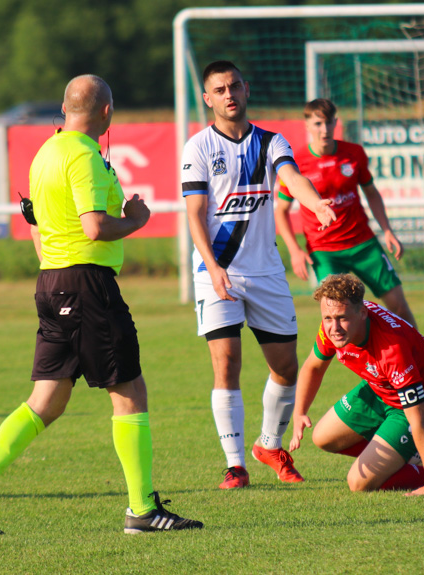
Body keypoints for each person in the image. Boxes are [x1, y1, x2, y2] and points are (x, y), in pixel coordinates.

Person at [0, 75, 202, 535]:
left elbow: (37, 229)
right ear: (108, 112)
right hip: (86, 285)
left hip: (52, 281)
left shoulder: (45, 153)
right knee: (129, 390)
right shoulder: (83, 156)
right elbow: (95, 228)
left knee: (48, 400)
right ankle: (142, 511)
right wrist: (137, 221)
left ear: (64, 109)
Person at [182, 61, 337, 489]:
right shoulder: (197, 148)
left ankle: (269, 445)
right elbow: (194, 214)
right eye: (219, 89)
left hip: (267, 273)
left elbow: (292, 177)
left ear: (246, 90)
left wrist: (316, 203)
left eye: (234, 86)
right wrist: (212, 268)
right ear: (208, 99)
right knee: (226, 362)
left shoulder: (271, 142)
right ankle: (235, 465)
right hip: (218, 272)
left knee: (286, 368)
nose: (229, 94)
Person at [289, 273, 424, 494]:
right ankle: (410, 452)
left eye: (342, 318)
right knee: (323, 437)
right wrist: (300, 412)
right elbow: (313, 366)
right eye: (327, 318)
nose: (334, 327)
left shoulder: (391, 349)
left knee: (358, 483)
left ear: (362, 313)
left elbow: (419, 419)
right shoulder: (335, 324)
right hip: (380, 387)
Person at [275, 98, 416, 327]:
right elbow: (281, 211)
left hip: (363, 243)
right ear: (307, 126)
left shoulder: (354, 153)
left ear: (336, 123)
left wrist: (388, 230)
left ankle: (419, 358)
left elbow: (371, 192)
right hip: (325, 251)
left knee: (399, 306)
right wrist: (294, 250)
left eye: (329, 123)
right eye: (318, 123)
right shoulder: (296, 163)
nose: (324, 129)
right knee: (337, 317)